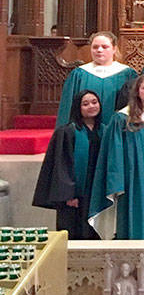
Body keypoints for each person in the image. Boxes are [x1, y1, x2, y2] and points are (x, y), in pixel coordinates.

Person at [88, 74, 144, 240]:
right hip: (132, 179)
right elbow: (114, 154)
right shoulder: (122, 118)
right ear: (137, 91)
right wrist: (117, 182)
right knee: (133, 217)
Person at [33, 90, 103, 239]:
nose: (91, 106)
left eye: (94, 102)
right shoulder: (67, 132)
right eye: (85, 104)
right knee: (74, 232)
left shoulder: (104, 130)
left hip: (95, 193)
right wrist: (69, 195)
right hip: (74, 196)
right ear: (78, 107)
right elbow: (61, 166)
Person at [57, 31, 137, 125]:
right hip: (84, 132)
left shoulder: (127, 74)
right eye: (95, 47)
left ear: (114, 49)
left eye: (104, 47)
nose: (99, 50)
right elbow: (67, 108)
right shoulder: (79, 74)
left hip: (117, 131)